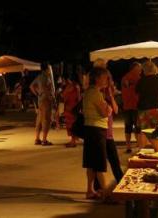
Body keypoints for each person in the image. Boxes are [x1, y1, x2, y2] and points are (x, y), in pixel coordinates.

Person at [82, 66, 112, 199]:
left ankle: (90, 190)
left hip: (89, 128)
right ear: (98, 78)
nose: (107, 80)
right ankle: (106, 194)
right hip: (96, 130)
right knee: (99, 164)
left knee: (91, 163)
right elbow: (105, 112)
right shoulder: (95, 93)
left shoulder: (89, 92)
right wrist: (109, 108)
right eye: (105, 77)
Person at [136, 60, 158, 147]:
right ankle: (157, 147)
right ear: (154, 69)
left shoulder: (140, 81)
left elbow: (137, 93)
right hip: (155, 108)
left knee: (143, 130)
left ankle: (142, 149)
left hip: (142, 108)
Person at [30, 63, 55, 146]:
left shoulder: (39, 76)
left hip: (40, 100)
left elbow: (31, 86)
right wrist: (49, 96)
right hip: (46, 100)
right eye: (48, 68)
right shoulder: (46, 77)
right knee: (46, 120)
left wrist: (38, 94)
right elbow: (46, 87)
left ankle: (37, 139)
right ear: (46, 69)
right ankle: (44, 140)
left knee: (39, 119)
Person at [121, 62, 142, 153]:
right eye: (139, 68)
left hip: (127, 106)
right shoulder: (137, 78)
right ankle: (138, 146)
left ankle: (129, 146)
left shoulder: (125, 78)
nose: (141, 70)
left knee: (128, 127)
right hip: (135, 105)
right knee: (137, 127)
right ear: (134, 68)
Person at [61, 73, 81, 147]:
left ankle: (73, 142)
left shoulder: (69, 86)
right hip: (74, 107)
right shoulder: (77, 86)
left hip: (70, 107)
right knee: (73, 124)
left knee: (70, 124)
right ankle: (73, 140)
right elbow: (79, 98)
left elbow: (63, 96)